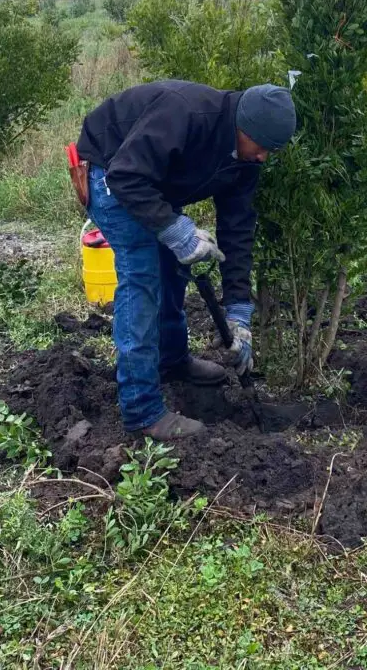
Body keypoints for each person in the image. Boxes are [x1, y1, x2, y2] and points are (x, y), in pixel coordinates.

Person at [76, 79, 296, 441]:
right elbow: (126, 176)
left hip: (151, 181)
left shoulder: (246, 162)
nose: (263, 157)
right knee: (142, 278)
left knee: (173, 272)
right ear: (243, 128)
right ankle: (142, 411)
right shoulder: (187, 114)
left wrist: (239, 313)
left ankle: (171, 361)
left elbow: (237, 232)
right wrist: (176, 230)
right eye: (262, 147)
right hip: (111, 171)